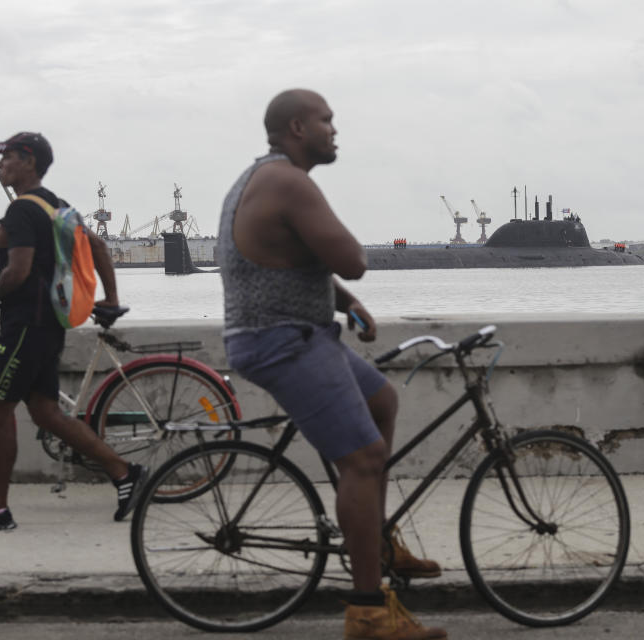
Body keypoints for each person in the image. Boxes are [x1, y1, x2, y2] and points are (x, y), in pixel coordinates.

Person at [218, 90, 446, 640]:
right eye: (326, 120)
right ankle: (368, 612)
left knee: (381, 401)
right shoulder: (290, 183)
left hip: (298, 332)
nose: (335, 130)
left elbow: (286, 257)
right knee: (365, 458)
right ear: (297, 127)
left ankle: (375, 538)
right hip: (281, 340)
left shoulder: (264, 177)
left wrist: (344, 303)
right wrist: (349, 282)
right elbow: (354, 259)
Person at [0, 132, 148, 532]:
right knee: (45, 411)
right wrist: (109, 299)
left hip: (25, 324)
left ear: (27, 160)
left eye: (5, 158)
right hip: (48, 323)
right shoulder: (55, 204)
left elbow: (18, 271)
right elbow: (100, 248)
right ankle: (124, 473)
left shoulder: (24, 209)